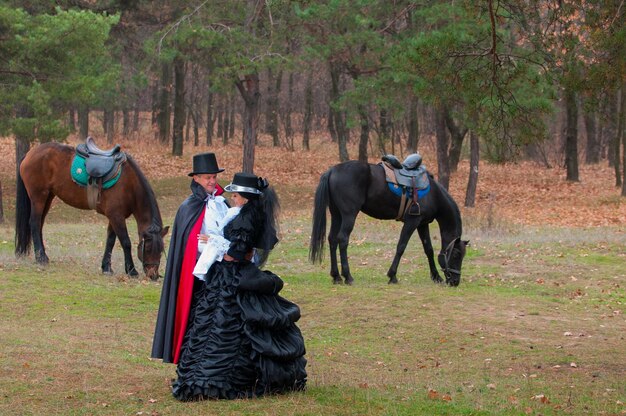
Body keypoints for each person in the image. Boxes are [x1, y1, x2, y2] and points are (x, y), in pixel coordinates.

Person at [171, 172, 307, 401]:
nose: (232, 197)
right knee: (222, 324)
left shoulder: (245, 218)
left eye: (235, 194)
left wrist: (216, 247)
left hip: (232, 276)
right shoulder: (247, 213)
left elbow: (237, 252)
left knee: (225, 325)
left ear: (245, 197)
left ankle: (219, 380)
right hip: (234, 275)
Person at [151, 152, 228, 364]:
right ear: (196, 178)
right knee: (198, 317)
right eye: (207, 178)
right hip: (197, 274)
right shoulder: (188, 207)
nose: (212, 181)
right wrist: (206, 244)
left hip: (223, 268)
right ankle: (193, 360)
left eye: (214, 177)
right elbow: (187, 244)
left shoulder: (221, 202)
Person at [192, 192, 245, 280]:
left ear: (245, 199)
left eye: (235, 196)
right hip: (225, 264)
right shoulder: (234, 211)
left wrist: (214, 240)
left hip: (235, 266)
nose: (231, 198)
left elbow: (242, 247)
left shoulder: (243, 217)